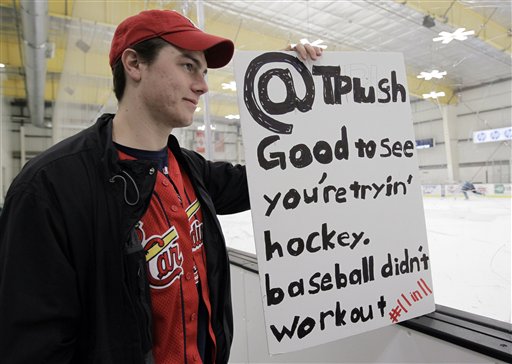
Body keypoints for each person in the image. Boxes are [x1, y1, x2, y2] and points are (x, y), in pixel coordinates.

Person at [0, 9, 322, 364]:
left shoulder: (190, 169)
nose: (202, 85)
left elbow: (274, 177)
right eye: (188, 66)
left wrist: (304, 87)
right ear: (135, 64)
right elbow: (34, 347)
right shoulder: (50, 188)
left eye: (203, 72)